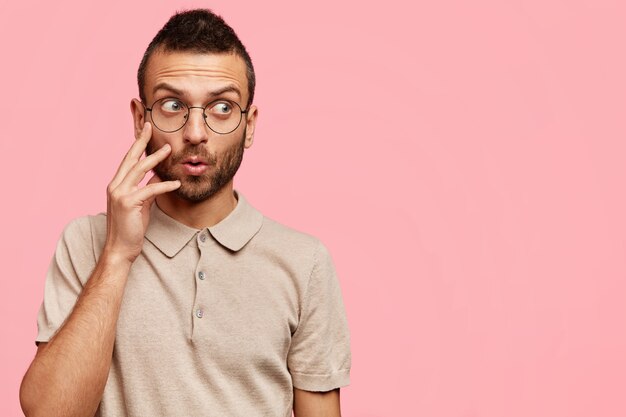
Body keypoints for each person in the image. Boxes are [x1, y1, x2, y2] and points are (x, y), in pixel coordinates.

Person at [20, 9, 351, 417]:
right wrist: (117, 256)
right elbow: (49, 413)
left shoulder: (305, 262)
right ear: (141, 119)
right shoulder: (87, 243)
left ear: (250, 125)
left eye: (223, 108)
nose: (196, 133)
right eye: (173, 105)